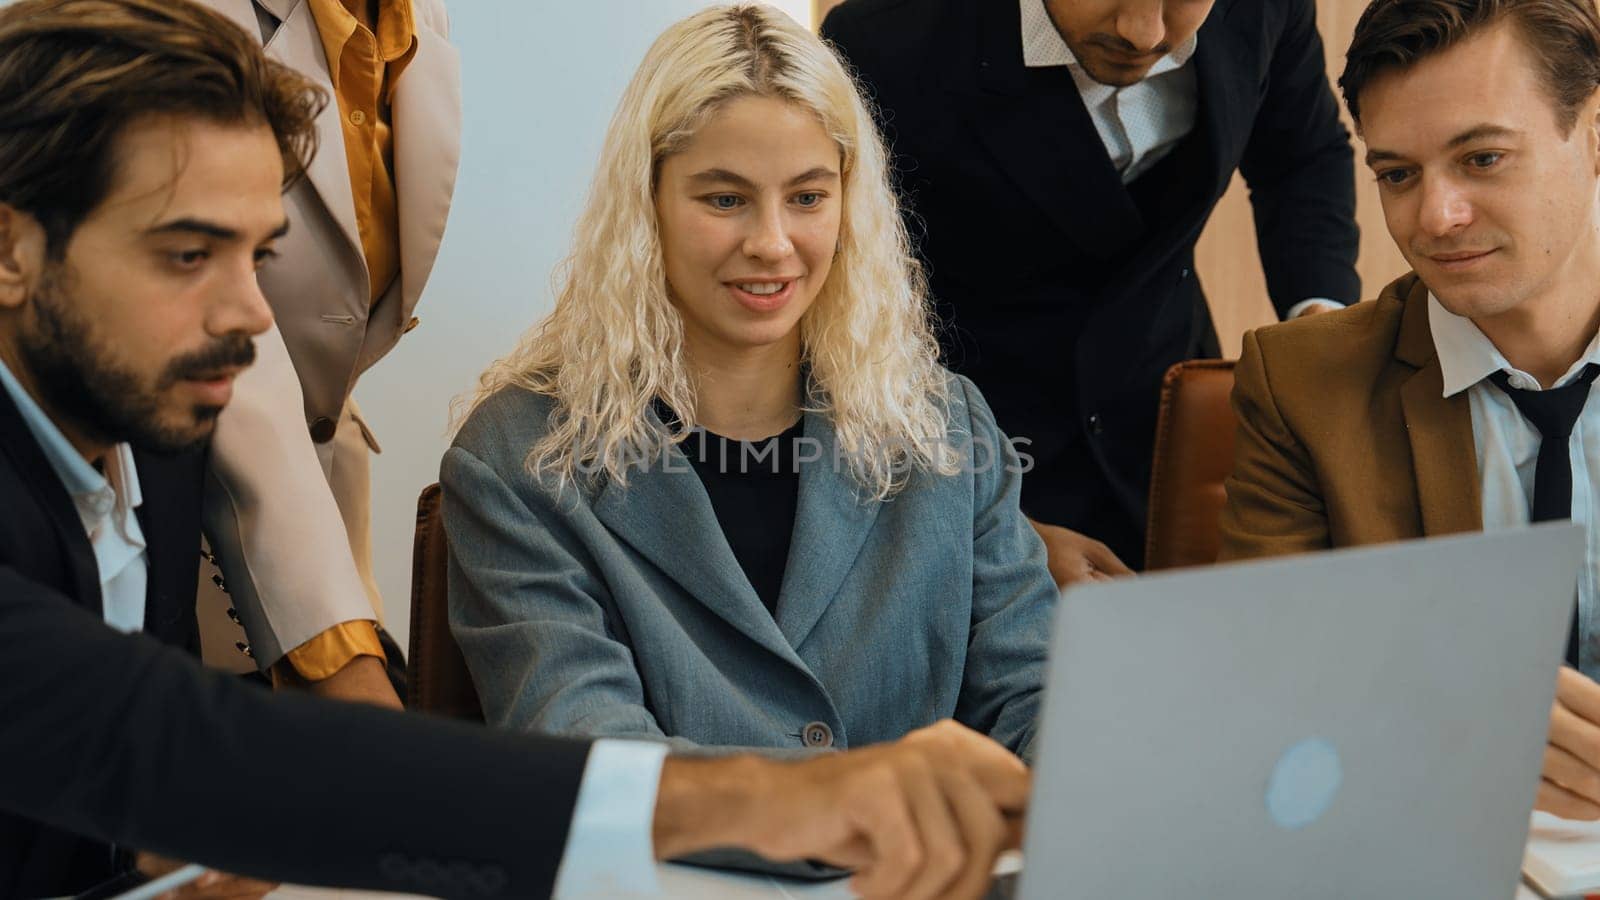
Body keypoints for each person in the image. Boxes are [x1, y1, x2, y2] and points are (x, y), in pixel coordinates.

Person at [0, 2, 1028, 898]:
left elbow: (128, 782)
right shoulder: (517, 451)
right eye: (188, 254)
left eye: (259, 255)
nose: (249, 315)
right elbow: (172, 742)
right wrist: (789, 798)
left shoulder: (156, 453)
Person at [444, 4, 1055, 764]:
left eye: (807, 197)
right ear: (647, 206)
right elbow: (587, 752)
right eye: (724, 198)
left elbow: (1040, 700)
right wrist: (853, 802)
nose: (772, 244)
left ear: (848, 204)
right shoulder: (516, 456)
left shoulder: (949, 426)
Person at [819, 0, 1361, 584]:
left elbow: (1301, 156)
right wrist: (992, 531)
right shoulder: (883, 41)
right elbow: (848, 316)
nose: (1144, 33)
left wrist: (1321, 336)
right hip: (981, 445)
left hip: (1167, 423)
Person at [1216, 0, 1600, 822]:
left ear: (1595, 132)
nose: (1435, 218)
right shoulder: (1300, 385)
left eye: (1484, 158)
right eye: (1396, 174)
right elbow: (1268, 698)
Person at [180, 0, 464, 706]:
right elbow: (216, 310)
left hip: (325, 519)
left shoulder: (413, 16)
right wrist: (340, 655)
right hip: (177, 525)